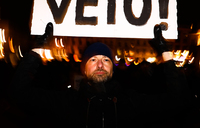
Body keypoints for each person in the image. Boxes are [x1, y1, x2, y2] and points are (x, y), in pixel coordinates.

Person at [9, 23, 190, 128]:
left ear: (112, 68)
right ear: (84, 69)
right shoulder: (66, 102)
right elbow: (19, 92)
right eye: (93, 60)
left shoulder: (131, 102)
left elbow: (177, 100)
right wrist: (38, 47)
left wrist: (164, 52)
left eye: (106, 60)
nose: (100, 65)